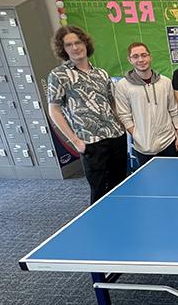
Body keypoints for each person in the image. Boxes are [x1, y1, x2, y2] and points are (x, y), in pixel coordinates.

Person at [46, 25, 127, 204]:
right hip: (91, 143)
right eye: (69, 45)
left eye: (78, 42)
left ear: (85, 43)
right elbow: (54, 110)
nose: (75, 47)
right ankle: (100, 227)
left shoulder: (101, 73)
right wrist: (75, 141)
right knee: (99, 190)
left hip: (116, 137)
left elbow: (111, 103)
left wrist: (122, 126)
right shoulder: (59, 75)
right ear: (63, 49)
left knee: (120, 185)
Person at [114, 42, 178, 167]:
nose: (140, 59)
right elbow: (124, 114)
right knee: (151, 184)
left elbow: (173, 110)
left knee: (173, 179)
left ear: (150, 57)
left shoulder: (165, 82)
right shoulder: (123, 85)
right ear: (130, 60)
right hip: (143, 146)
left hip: (169, 142)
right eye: (135, 56)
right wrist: (137, 134)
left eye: (144, 55)